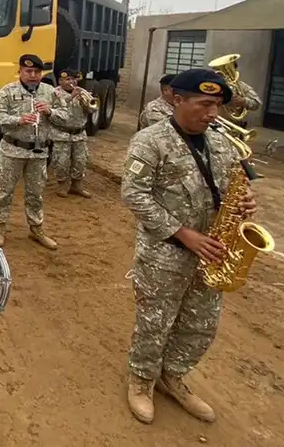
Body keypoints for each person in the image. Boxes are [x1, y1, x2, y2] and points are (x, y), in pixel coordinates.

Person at [121, 68, 257, 424]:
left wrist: (243, 204)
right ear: (177, 99)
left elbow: (230, 186)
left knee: (201, 325)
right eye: (205, 104)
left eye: (217, 105)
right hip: (165, 253)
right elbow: (133, 194)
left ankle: (173, 376)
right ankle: (141, 380)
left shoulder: (222, 141)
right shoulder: (149, 141)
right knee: (155, 322)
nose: (213, 113)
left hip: (212, 251)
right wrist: (183, 233)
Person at [0, 54, 57, 249]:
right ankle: (0, 227)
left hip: (39, 152)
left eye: (37, 71)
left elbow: (67, 115)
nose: (33, 75)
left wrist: (50, 112)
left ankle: (36, 228)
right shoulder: (7, 91)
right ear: (20, 71)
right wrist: (17, 119)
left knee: (35, 193)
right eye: (28, 71)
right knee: (5, 191)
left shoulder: (50, 92)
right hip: (13, 150)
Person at [48, 69, 94, 198]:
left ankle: (77, 186)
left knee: (80, 161)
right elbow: (52, 113)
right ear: (60, 81)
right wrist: (70, 97)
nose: (71, 82)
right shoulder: (54, 93)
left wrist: (85, 103)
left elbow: (92, 109)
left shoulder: (82, 92)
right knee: (61, 162)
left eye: (74, 79)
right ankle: (62, 185)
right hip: (61, 134)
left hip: (79, 134)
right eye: (68, 79)